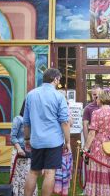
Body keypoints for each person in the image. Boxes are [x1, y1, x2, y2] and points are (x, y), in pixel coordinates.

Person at [23, 68, 71, 196]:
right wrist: (68, 141)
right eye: (59, 79)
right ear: (55, 79)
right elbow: (64, 122)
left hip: (36, 140)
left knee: (33, 171)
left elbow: (26, 121)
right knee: (50, 173)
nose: (58, 82)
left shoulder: (31, 94)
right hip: (54, 141)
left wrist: (27, 139)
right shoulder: (59, 96)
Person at [83, 88, 110, 196]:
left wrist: (85, 149)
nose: (96, 99)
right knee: (108, 170)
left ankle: (96, 193)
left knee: (97, 169)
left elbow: (91, 133)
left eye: (97, 97)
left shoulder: (96, 113)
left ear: (101, 99)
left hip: (98, 147)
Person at [10, 100, 37, 196]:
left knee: (30, 177)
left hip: (30, 155)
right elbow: (13, 137)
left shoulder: (34, 121)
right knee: (18, 178)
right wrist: (19, 149)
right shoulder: (18, 119)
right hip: (19, 154)